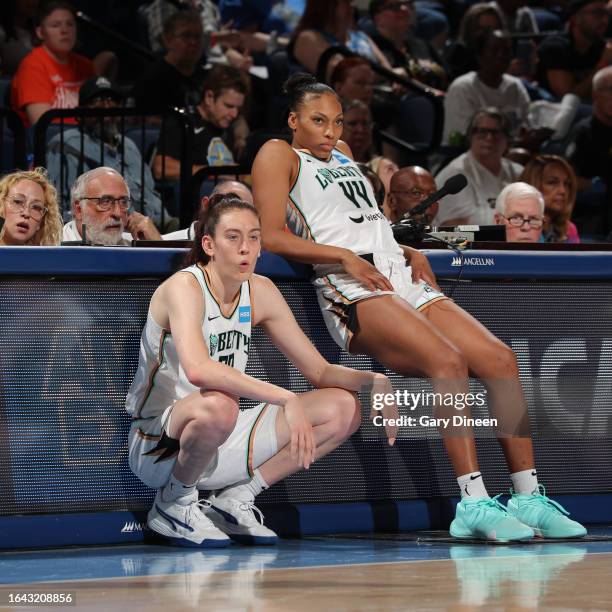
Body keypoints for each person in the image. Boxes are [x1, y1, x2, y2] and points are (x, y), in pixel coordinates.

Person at [251, 73, 587, 542]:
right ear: (293, 120)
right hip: (350, 283)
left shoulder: (345, 155)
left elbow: (365, 222)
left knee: (499, 360)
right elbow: (271, 235)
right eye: (319, 121)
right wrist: (345, 256)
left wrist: (402, 247)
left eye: (338, 121)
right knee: (447, 361)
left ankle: (527, 496)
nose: (331, 131)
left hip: (395, 270)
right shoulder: (278, 154)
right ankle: (471, 503)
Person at [125, 195, 395, 546]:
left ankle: (235, 498)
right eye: (233, 237)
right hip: (159, 444)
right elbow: (199, 370)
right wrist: (285, 398)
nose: (246, 248)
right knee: (219, 404)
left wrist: (374, 379)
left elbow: (319, 370)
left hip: (223, 436)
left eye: (254, 237)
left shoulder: (261, 291)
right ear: (209, 244)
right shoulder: (184, 287)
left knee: (343, 407)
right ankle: (173, 503)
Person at [46, 76, 166, 226]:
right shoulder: (66, 143)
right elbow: (56, 204)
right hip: (106, 230)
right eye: (97, 101)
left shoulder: (129, 145)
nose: (106, 106)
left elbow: (151, 192)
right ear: (80, 111)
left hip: (156, 226)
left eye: (111, 99)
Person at [154, 65, 249, 181]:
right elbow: (161, 168)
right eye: (229, 106)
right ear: (209, 97)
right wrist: (214, 172)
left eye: (238, 108)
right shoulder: (182, 121)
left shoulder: (228, 125)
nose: (234, 114)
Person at [10, 1, 97, 127]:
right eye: (55, 25)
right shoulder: (32, 66)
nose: (64, 30)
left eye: (70, 24)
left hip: (87, 139)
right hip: (49, 142)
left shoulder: (86, 65)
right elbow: (43, 126)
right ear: (40, 32)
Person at [434, 107, 523, 226]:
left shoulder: (518, 172)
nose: (489, 138)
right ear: (470, 136)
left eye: (496, 133)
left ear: (508, 139)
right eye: (482, 132)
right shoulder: (455, 174)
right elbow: (452, 225)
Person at [442, 30, 530, 145]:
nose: (501, 55)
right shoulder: (463, 88)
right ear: (479, 56)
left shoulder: (516, 86)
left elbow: (525, 126)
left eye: (506, 50)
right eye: (494, 50)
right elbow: (463, 138)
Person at [132, 9, 208, 114]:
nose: (193, 42)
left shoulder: (207, 78)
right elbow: (145, 120)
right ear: (168, 40)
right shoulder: (153, 79)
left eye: (198, 37)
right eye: (186, 36)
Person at [566, 66, 612, 236]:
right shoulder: (583, 132)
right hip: (591, 212)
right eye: (610, 90)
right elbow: (567, 177)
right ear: (595, 95)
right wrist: (593, 185)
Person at [63, 167, 161, 245]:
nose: (117, 213)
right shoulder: (53, 250)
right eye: (105, 202)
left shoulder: (137, 246)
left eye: (123, 202)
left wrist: (158, 245)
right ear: (79, 209)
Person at [537, 0, 611, 100]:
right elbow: (568, 99)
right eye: (597, 13)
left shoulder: (603, 47)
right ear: (576, 17)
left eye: (607, 14)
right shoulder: (556, 47)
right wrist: (603, 64)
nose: (604, 20)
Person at [163, 179, 253, 240]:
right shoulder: (165, 243)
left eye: (248, 210)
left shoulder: (253, 252)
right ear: (206, 205)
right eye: (231, 205)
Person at [521, 155, 580, 243]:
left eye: (566, 184)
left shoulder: (569, 230)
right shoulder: (518, 228)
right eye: (552, 182)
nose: (563, 191)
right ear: (532, 185)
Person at [0, 167, 62, 246]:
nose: (26, 214)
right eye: (17, 202)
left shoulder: (48, 257)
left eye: (36, 207)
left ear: (42, 222)